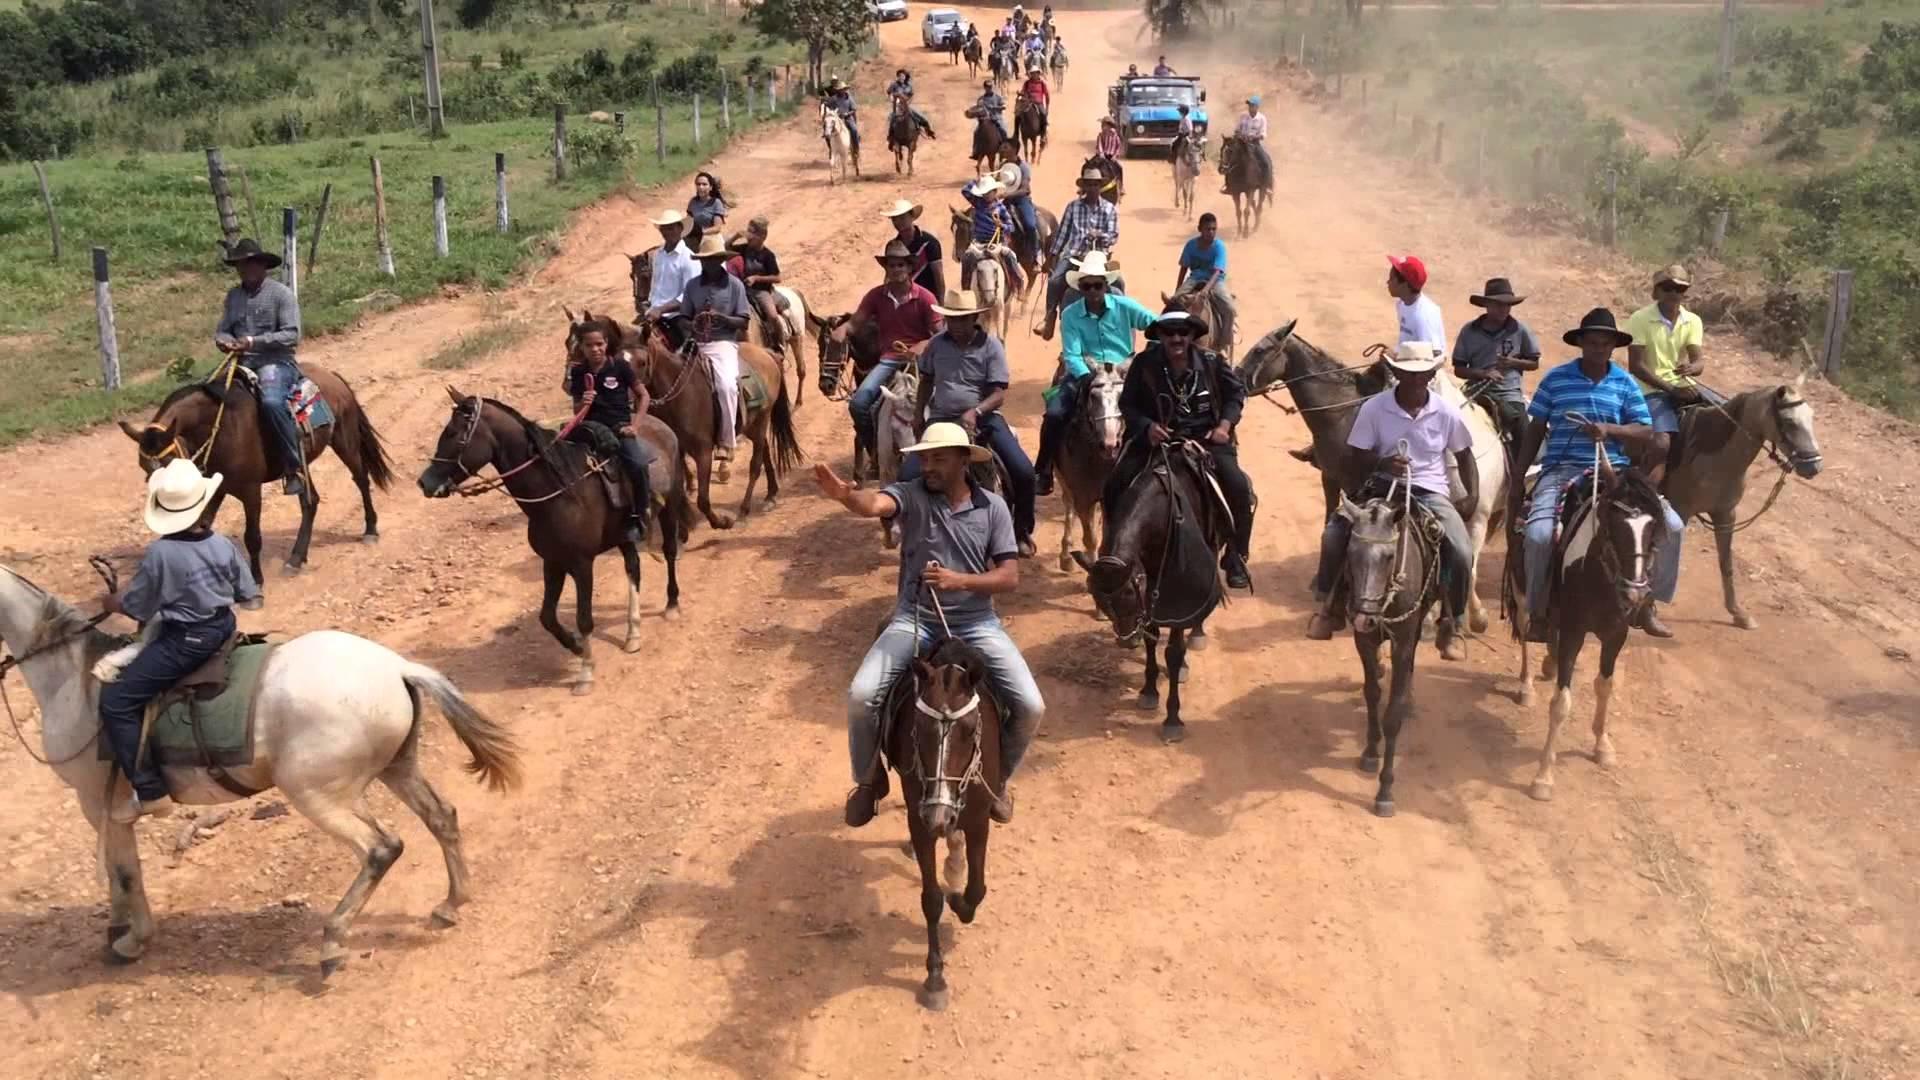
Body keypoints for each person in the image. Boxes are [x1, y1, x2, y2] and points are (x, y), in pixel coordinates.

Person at [818, 424, 1045, 826]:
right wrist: (847, 497)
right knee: (861, 694)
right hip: (916, 619)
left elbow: (1009, 577)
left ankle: (997, 780)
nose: (928, 466)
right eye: (924, 458)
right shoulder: (911, 495)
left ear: (963, 460)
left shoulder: (993, 507)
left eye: (938, 457)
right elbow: (875, 505)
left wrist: (962, 581)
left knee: (1030, 705)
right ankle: (868, 781)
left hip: (977, 623)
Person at [99, 458, 260, 823]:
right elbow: (247, 591)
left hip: (185, 640)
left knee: (117, 701)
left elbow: (138, 606)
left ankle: (150, 792)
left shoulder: (160, 553)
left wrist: (112, 601)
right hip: (222, 626)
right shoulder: (223, 543)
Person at [1515, 308, 1685, 641]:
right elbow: (1536, 428)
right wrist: (1520, 472)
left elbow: (1645, 431)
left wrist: (1609, 429)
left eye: (1604, 344)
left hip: (1615, 472)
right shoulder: (1555, 378)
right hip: (1562, 469)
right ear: (1581, 344)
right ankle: (1537, 611)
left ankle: (1649, 602)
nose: (1597, 349)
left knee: (1674, 526)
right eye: (1591, 343)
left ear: (1613, 347)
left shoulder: (1624, 383)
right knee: (1536, 537)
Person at [1306, 342, 1479, 660]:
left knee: (1462, 549)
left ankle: (1451, 623)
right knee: (1334, 533)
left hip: (1429, 492)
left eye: (1422, 374)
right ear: (1397, 373)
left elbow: (1465, 456)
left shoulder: (1445, 411)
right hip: (1380, 488)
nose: (1415, 380)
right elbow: (1356, 457)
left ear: (1431, 374)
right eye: (1408, 374)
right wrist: (1383, 464)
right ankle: (1328, 606)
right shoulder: (1373, 408)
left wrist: (1472, 496)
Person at [1106, 307, 1255, 589]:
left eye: (1182, 332)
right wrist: (1147, 426)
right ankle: (1114, 550)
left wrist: (1224, 426)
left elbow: (1236, 394)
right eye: (1169, 332)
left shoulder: (1212, 362)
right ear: (1159, 336)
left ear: (1192, 335)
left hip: (1206, 440)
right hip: (1156, 440)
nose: (1176, 338)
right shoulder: (1144, 363)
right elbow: (1128, 404)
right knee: (1114, 484)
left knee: (1238, 487)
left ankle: (1236, 555)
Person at [901, 289, 1038, 555]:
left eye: (963, 319)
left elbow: (998, 393)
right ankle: (909, 532)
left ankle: (1021, 530)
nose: (958, 325)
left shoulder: (991, 345)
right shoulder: (937, 345)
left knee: (1023, 471)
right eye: (953, 320)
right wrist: (919, 415)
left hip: (984, 419)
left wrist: (975, 411)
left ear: (975, 317)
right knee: (906, 476)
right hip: (941, 419)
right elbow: (927, 380)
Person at [1035, 251, 1156, 496]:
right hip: (1086, 374)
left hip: (1123, 374)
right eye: (1087, 286)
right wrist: (1088, 378)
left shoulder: (1125, 306)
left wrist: (1148, 356)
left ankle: (1159, 468)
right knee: (1055, 414)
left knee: (1156, 411)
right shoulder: (1070, 314)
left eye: (1097, 285)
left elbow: (1157, 325)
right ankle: (1044, 469)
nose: (1092, 291)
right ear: (1080, 287)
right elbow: (1071, 354)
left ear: (1106, 284)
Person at [841, 240, 943, 471]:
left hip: (920, 361)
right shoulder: (876, 296)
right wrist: (842, 329)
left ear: (909, 268)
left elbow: (940, 336)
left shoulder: (925, 297)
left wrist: (921, 345)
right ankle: (875, 454)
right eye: (891, 265)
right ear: (886, 268)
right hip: (888, 360)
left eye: (900, 265)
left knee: (945, 402)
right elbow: (856, 322)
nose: (895, 269)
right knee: (858, 404)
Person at [213, 238, 305, 497]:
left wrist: (253, 341)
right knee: (206, 395)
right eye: (241, 265)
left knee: (272, 403)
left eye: (251, 264)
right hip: (240, 362)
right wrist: (224, 340)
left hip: (275, 362)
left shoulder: (281, 294)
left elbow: (292, 334)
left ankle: (291, 465)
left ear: (263, 265)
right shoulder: (233, 296)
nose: (245, 269)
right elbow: (224, 328)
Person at [662, 233, 752, 472]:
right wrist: (691, 325)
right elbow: (683, 317)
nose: (708, 264)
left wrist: (721, 318)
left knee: (726, 386)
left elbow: (743, 321)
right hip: (695, 342)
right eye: (705, 260)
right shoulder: (692, 286)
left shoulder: (735, 285)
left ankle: (727, 440)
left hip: (723, 343)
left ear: (721, 260)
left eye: (713, 260)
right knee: (670, 380)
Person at [563, 323, 654, 541]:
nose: (595, 349)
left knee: (638, 464)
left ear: (606, 344)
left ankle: (640, 514)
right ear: (582, 348)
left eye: (599, 344)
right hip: (589, 428)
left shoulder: (620, 367)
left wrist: (635, 425)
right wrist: (583, 402)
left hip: (618, 427)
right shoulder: (578, 372)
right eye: (589, 345)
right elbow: (577, 408)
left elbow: (643, 396)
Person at [1626, 264, 1725, 455]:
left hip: (1682, 386)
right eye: (1668, 287)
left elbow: (1699, 362)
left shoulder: (1693, 320)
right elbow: (1636, 366)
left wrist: (1691, 368)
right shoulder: (1640, 318)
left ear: (1685, 292)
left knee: (1730, 415)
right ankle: (1646, 481)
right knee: (1662, 443)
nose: (1674, 293)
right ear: (1657, 290)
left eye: (1680, 288)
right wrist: (1671, 390)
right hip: (1649, 390)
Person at [1451, 276, 1540, 442]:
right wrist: (1483, 374)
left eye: (1508, 305)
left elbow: (1534, 363)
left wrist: (1513, 363)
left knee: (1524, 436)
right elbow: (1459, 369)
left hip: (1509, 394)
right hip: (1476, 391)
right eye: (1499, 304)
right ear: (1486, 304)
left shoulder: (1520, 330)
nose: (1504, 309)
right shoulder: (1469, 331)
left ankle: (1523, 466)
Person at [1040, 165, 1121, 339]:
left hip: (1101, 257)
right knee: (1054, 281)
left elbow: (1114, 236)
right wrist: (1052, 256)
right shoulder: (1073, 207)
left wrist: (1100, 236)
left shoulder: (1110, 209)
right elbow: (1062, 234)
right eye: (1088, 184)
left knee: (1120, 282)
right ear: (1083, 186)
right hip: (1075, 255)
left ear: (1100, 186)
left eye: (1095, 184)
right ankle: (1049, 317)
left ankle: (1122, 323)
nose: (1092, 188)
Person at [1174, 212, 1235, 350]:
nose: (1211, 232)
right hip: (1194, 278)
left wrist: (1205, 290)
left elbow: (1217, 271)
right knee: (1173, 304)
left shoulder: (1219, 246)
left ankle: (1224, 343)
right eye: (1208, 229)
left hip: (1215, 281)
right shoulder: (1190, 245)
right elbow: (1183, 267)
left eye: (1214, 229)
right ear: (1199, 229)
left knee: (1230, 309)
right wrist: (1177, 290)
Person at [727, 216, 788, 352]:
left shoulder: (767, 255)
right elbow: (726, 248)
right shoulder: (744, 249)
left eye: (753, 233)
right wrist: (736, 236)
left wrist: (756, 278)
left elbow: (777, 278)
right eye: (748, 232)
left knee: (772, 315)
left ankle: (779, 344)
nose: (749, 236)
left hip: (761, 291)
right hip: (744, 289)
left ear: (762, 236)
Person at [957, 174, 1023, 293]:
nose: (986, 195)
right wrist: (975, 181)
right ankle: (965, 289)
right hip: (979, 242)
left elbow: (1011, 227)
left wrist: (1001, 226)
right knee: (967, 258)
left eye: (989, 192)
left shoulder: (1001, 207)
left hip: (998, 242)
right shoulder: (977, 202)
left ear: (995, 191)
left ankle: (1018, 285)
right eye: (984, 192)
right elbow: (965, 191)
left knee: (1010, 256)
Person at [642, 209, 698, 320]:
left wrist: (661, 309)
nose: (667, 232)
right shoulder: (658, 254)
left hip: (677, 316)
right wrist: (650, 303)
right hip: (654, 314)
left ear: (680, 229)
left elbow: (690, 295)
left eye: (671, 228)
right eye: (664, 229)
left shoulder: (689, 258)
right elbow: (655, 284)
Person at [883, 199, 945, 298]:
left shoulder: (929, 242)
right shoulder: (892, 246)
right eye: (894, 219)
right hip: (901, 300)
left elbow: (939, 277)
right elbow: (888, 276)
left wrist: (940, 304)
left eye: (902, 218)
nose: (898, 222)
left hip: (927, 299)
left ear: (912, 217)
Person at [1388, 252, 1445, 354]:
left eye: (1392, 278)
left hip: (1423, 367)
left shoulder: (1424, 317)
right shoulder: (1401, 304)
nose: (1388, 282)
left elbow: (1434, 355)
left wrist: (1396, 357)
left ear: (1404, 284)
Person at [994, 141, 1041, 253]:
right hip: (1006, 201)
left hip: (1021, 200)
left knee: (1030, 225)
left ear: (1014, 149)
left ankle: (1034, 255)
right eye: (1002, 147)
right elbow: (996, 181)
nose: (1002, 150)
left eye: (1005, 147)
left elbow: (1026, 189)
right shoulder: (1002, 166)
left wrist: (1006, 194)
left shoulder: (1023, 167)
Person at [1225, 95, 1272, 194]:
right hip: (1241, 143)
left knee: (1266, 162)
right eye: (1249, 105)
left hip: (1255, 144)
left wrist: (1253, 137)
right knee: (1230, 158)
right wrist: (1240, 135)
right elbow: (1237, 130)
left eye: (1252, 105)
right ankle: (1228, 185)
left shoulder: (1262, 118)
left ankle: (1266, 185)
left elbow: (1263, 134)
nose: (1250, 107)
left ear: (1257, 107)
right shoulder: (1243, 116)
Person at [886, 68, 936, 138]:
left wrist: (908, 103)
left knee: (921, 116)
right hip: (897, 105)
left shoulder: (909, 85)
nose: (901, 77)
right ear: (897, 76)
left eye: (903, 76)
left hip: (907, 104)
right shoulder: (894, 84)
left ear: (905, 77)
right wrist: (892, 100)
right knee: (892, 118)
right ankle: (890, 135)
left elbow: (911, 95)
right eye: (900, 76)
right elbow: (889, 93)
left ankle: (928, 131)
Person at [684, 171, 728, 250]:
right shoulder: (693, 202)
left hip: (711, 239)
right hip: (694, 239)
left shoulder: (716, 203)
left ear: (711, 187)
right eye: (698, 184)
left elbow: (717, 228)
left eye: (704, 184)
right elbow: (688, 221)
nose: (701, 187)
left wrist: (701, 232)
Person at [824, 77, 860, 155]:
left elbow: (854, 109)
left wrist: (847, 114)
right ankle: (831, 148)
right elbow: (828, 106)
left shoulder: (849, 98)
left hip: (848, 118)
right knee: (827, 131)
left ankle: (856, 149)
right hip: (836, 119)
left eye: (843, 89)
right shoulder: (833, 99)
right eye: (840, 89)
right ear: (838, 90)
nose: (842, 91)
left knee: (854, 130)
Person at [970, 79, 1009, 146]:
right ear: (984, 88)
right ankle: (975, 150)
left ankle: (1004, 147)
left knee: (1003, 130)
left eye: (990, 87)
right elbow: (978, 109)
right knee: (976, 132)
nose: (989, 89)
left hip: (996, 118)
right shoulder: (981, 99)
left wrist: (995, 108)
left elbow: (1004, 106)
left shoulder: (998, 97)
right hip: (985, 120)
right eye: (987, 87)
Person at [1020, 65, 1050, 140]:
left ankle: (1043, 134)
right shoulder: (1027, 83)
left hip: (1039, 103)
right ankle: (1017, 133)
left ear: (1038, 74)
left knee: (1043, 114)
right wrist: (1021, 94)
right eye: (1033, 73)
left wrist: (1047, 107)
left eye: (1036, 73)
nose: (1034, 75)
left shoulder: (1042, 83)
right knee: (1019, 114)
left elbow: (1047, 95)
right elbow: (1023, 91)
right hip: (1028, 102)